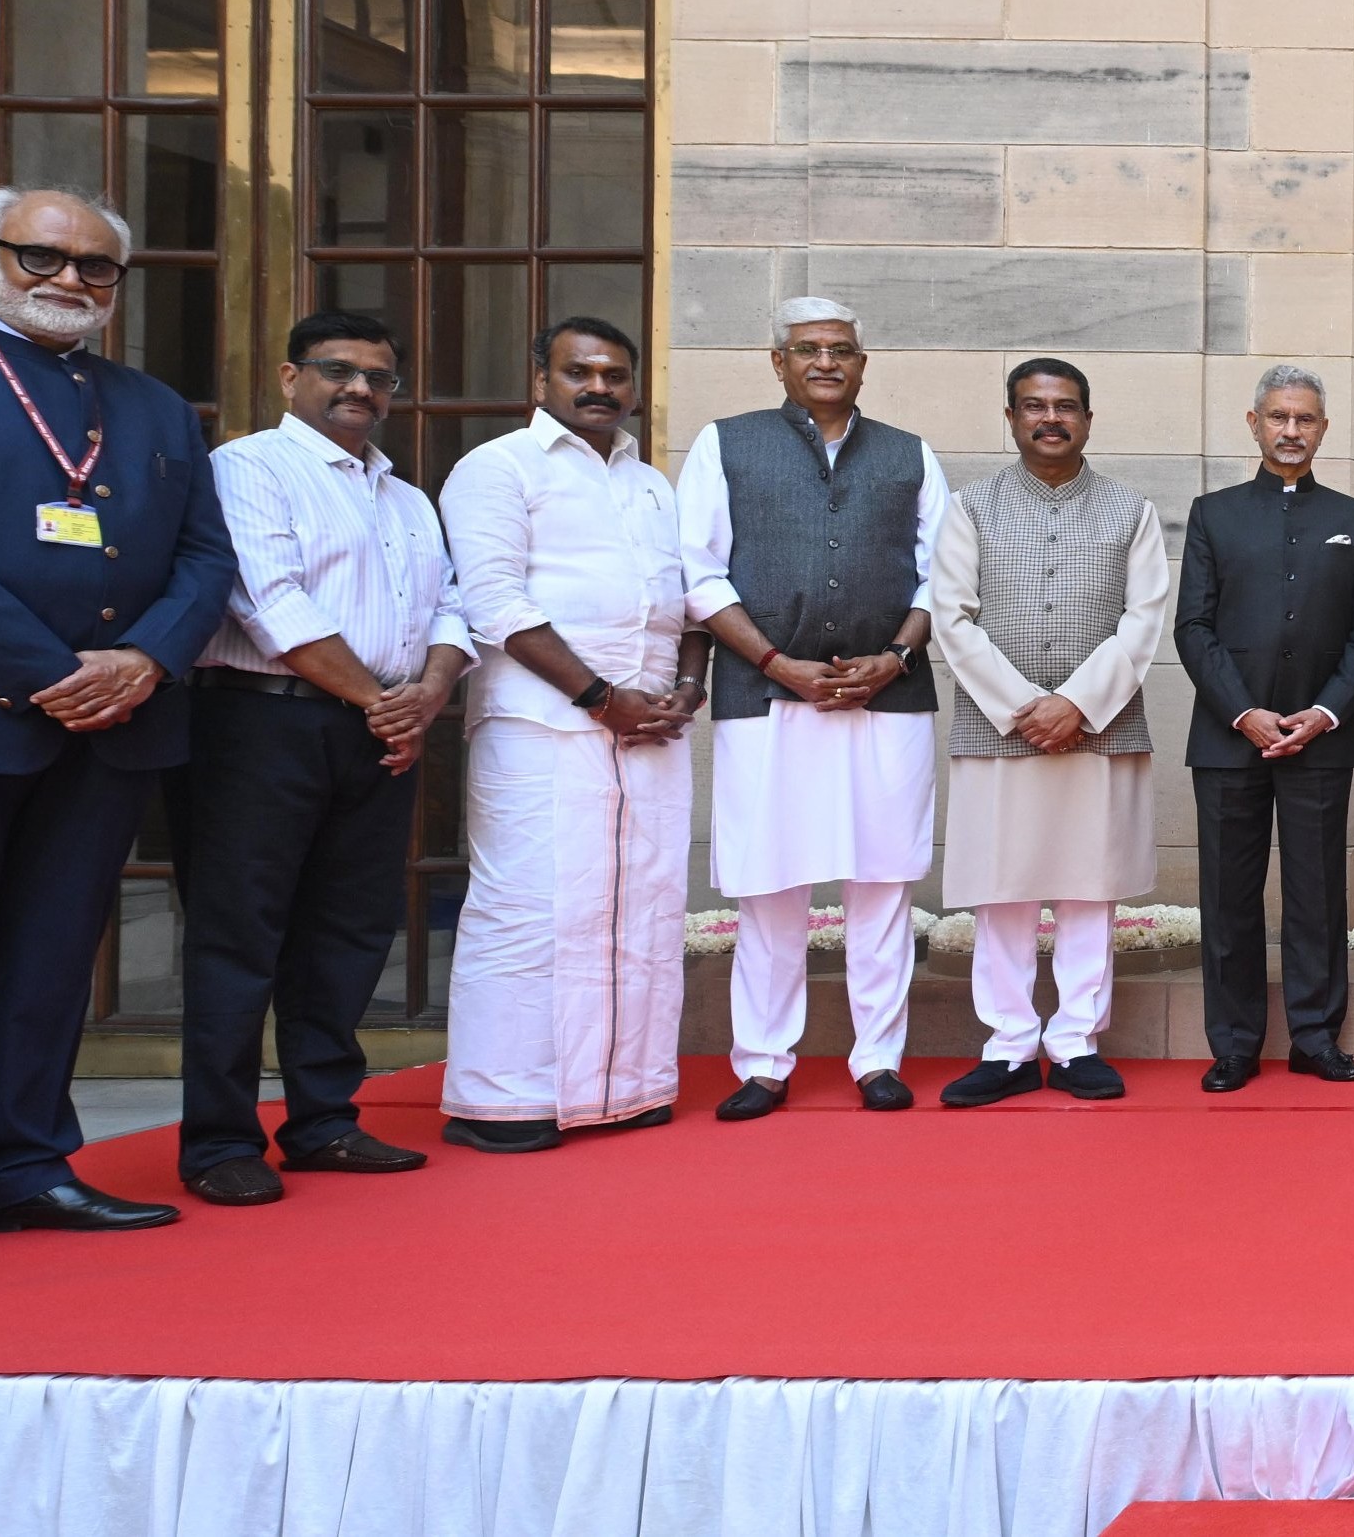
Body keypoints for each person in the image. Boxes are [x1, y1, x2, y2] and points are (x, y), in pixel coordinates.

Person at [0, 188, 236, 1277]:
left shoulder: (149, 405)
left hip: (112, 729)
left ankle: (27, 1168)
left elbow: (204, 559)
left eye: (97, 267)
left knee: (49, 968)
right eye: (42, 256)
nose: (70, 281)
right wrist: (49, 674)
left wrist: (144, 660)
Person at [173, 309, 470, 1204]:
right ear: (288, 374)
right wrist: (387, 701)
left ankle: (324, 1120)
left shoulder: (406, 496)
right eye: (338, 370)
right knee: (239, 936)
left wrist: (430, 690)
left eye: (378, 377)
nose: (359, 389)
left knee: (346, 932)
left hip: (381, 727)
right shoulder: (249, 467)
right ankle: (220, 1141)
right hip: (262, 726)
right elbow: (271, 602)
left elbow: (450, 605)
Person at [436, 316, 705, 1152]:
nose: (599, 387)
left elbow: (694, 598)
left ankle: (627, 1086)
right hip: (542, 728)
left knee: (642, 905)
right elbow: (494, 601)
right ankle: (505, 1100)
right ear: (540, 379)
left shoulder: (652, 484)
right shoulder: (497, 468)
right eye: (579, 371)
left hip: (651, 731)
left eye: (615, 374)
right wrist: (598, 693)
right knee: (531, 908)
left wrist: (684, 689)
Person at [680, 298, 948, 1121]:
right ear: (778, 361)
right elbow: (697, 571)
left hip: (887, 699)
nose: (825, 361)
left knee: (882, 883)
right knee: (770, 885)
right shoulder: (726, 442)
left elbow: (943, 573)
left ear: (862, 364)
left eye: (840, 349)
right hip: (765, 697)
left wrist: (896, 655)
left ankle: (878, 1060)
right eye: (808, 349)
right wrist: (773, 662)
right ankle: (763, 1063)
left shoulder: (910, 454)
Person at [930, 359, 1169, 1109]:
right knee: (1001, 890)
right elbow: (951, 615)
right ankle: (1006, 1044)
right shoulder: (971, 506)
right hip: (1000, 729)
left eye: (1065, 405)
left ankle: (1073, 1040)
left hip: (1097, 728)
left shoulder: (1131, 509)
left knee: (1086, 888)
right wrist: (1022, 705)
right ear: (1010, 416)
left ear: (1089, 419)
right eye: (1033, 405)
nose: (1050, 418)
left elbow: (1144, 619)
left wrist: (1076, 702)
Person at [1174, 363, 1354, 1091]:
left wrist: (1325, 711)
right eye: (1278, 417)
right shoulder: (1213, 512)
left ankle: (1315, 1036)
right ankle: (1233, 1042)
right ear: (1254, 422)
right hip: (1229, 737)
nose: (1290, 430)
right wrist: (1244, 712)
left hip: (1321, 738)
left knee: (1317, 893)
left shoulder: (1352, 519)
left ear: (1322, 428)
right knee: (1228, 898)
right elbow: (1193, 627)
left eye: (1304, 419)